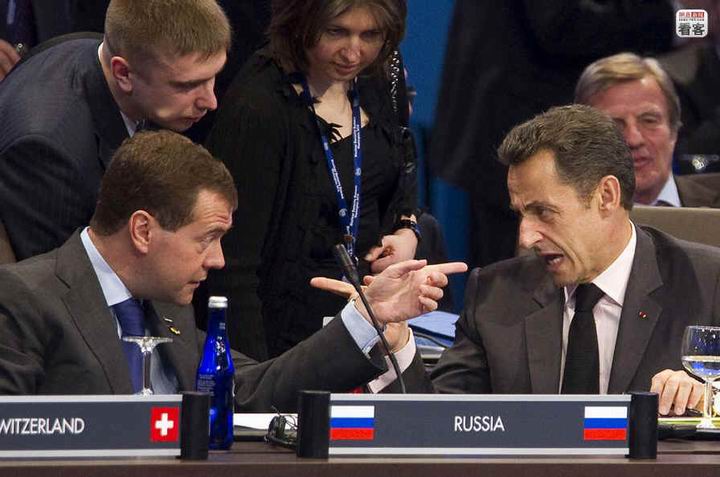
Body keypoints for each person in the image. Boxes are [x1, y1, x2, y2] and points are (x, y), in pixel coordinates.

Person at [0, 130, 466, 411]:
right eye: (207, 238)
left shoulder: (165, 303)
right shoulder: (24, 300)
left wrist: (367, 317)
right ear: (143, 230)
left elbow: (249, 390)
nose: (218, 260)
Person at [363, 105, 714, 415]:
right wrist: (398, 345)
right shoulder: (497, 294)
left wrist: (711, 398)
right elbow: (441, 424)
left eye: (544, 212)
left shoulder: (708, 283)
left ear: (606, 196)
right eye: (520, 214)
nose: (526, 237)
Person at [206, 0, 419, 360]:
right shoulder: (258, 107)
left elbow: (400, 174)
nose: (353, 53)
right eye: (336, 32)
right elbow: (234, 269)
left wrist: (407, 228)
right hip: (281, 342)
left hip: (367, 328)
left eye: (370, 35)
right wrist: (254, 378)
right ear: (301, 23)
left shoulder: (379, 77)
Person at [0, 0, 229, 261]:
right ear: (123, 73)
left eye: (212, 77)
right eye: (187, 85)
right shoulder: (49, 154)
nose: (210, 101)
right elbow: (62, 280)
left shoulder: (100, 50)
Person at [575, 52, 720, 207]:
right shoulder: (564, 216)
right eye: (614, 126)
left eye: (649, 121)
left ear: (673, 131)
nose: (634, 140)